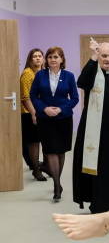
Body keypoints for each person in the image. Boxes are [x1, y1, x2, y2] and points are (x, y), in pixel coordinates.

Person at [72, 40, 109, 213]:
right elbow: (81, 82)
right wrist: (93, 57)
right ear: (98, 57)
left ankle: (108, 204)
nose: (108, 59)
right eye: (104, 55)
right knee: (95, 169)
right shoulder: (93, 73)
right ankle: (96, 203)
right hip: (94, 131)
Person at [30, 47, 79, 201]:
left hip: (63, 118)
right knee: (50, 150)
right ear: (47, 60)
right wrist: (44, 108)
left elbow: (75, 98)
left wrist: (61, 109)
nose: (52, 59)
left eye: (56, 57)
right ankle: (57, 185)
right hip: (45, 119)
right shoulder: (40, 75)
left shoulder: (69, 76)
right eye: (50, 57)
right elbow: (33, 95)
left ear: (61, 59)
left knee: (61, 151)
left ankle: (57, 181)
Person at [20, 48, 47, 181]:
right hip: (29, 113)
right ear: (30, 59)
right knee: (34, 143)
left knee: (43, 141)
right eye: (34, 56)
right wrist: (33, 113)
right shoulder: (27, 73)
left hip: (42, 111)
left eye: (39, 56)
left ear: (43, 59)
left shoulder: (43, 73)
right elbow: (25, 97)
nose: (37, 58)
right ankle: (36, 170)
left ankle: (42, 166)